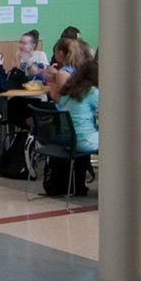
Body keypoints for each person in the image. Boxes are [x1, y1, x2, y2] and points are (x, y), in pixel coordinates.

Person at [52, 55, 101, 195]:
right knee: (120, 142)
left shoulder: (68, 90)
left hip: (67, 140)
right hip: (83, 141)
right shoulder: (92, 92)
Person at [46, 35, 94, 101]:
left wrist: (52, 86)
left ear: (60, 53)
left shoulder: (63, 73)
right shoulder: (80, 67)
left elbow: (59, 99)